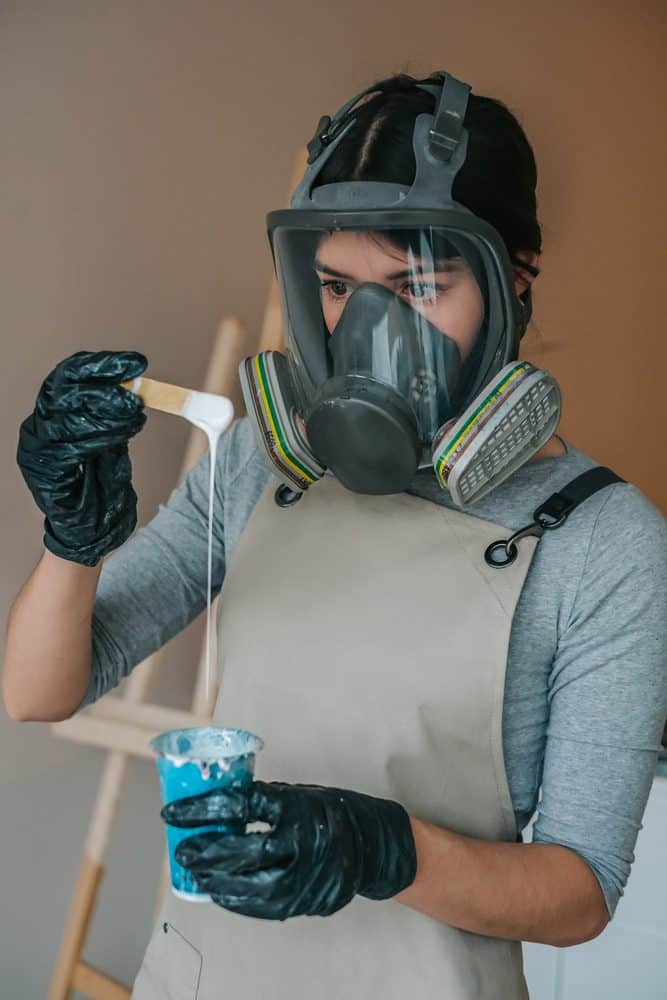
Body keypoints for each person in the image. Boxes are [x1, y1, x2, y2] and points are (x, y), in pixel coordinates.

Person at [4, 70, 666, 1000]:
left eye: (417, 286)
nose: (369, 329)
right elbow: (38, 692)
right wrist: (72, 540)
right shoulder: (258, 465)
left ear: (515, 283)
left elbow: (580, 892)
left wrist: (381, 848)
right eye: (336, 286)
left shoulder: (603, 540)